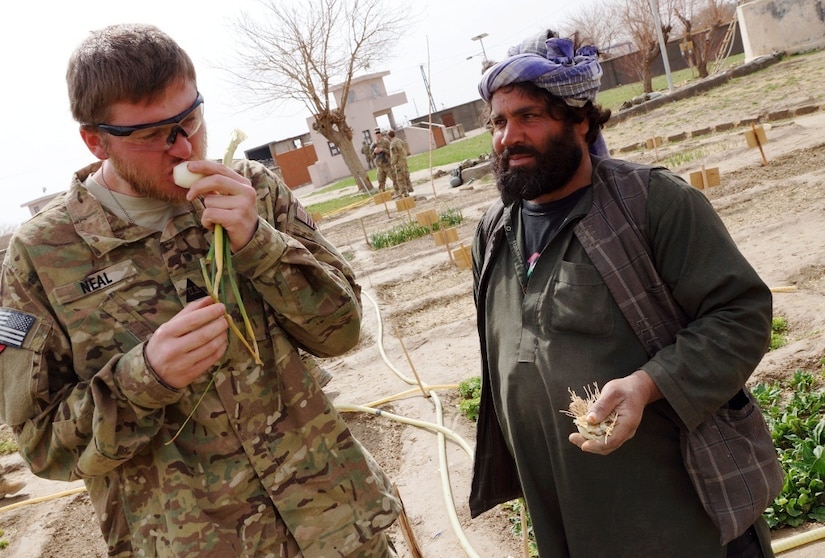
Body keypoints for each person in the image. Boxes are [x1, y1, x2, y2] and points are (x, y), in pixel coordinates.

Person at [0, 23, 400, 557]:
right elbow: (42, 444)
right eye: (151, 135)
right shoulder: (40, 256)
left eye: (190, 119)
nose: (184, 147)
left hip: (337, 528)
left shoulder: (252, 190)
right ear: (96, 140)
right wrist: (143, 377)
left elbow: (341, 330)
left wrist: (259, 244)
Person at [469, 30, 775, 558]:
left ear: (580, 122)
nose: (507, 137)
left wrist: (647, 384)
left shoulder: (652, 204)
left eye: (529, 117)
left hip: (677, 518)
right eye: (498, 121)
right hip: (566, 521)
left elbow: (741, 315)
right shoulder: (493, 233)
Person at [386, 130, 411, 198]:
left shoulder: (393, 143)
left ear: (389, 136)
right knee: (406, 175)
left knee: (400, 178)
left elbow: (394, 154)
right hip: (404, 160)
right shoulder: (400, 140)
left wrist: (392, 163)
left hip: (398, 162)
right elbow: (406, 149)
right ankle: (410, 189)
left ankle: (403, 193)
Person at [370, 128, 393, 193]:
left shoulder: (386, 141)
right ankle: (383, 194)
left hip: (387, 164)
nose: (378, 135)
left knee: (394, 179)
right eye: (376, 133)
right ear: (374, 134)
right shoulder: (373, 144)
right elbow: (371, 156)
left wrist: (383, 150)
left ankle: (400, 192)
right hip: (379, 166)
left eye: (379, 133)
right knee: (380, 181)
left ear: (380, 133)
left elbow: (391, 152)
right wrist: (374, 152)